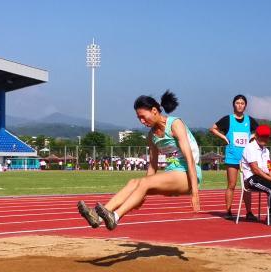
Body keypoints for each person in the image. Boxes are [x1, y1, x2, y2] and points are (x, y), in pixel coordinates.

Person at [78, 90, 201, 230]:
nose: (142, 121)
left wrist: (195, 192)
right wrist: (144, 191)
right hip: (171, 174)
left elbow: (190, 158)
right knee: (134, 182)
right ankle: (98, 217)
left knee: (143, 183)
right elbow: (153, 165)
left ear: (154, 110)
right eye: (138, 119)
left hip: (188, 174)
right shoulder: (152, 136)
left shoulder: (175, 124)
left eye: (143, 117)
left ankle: (115, 217)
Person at [210, 94, 259, 221]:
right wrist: (224, 137)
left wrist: (252, 137)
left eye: (242, 103)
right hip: (232, 157)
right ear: (233, 105)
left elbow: (258, 132)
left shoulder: (249, 120)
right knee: (231, 185)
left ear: (245, 106)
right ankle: (228, 211)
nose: (240, 105)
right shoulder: (228, 119)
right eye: (237, 103)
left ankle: (249, 213)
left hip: (246, 158)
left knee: (247, 186)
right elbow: (213, 128)